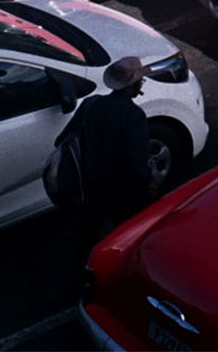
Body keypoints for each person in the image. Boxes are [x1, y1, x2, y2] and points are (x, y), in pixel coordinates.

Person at [67, 56, 157, 274]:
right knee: (128, 235)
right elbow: (138, 162)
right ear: (134, 85)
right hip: (122, 190)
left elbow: (69, 137)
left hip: (91, 183)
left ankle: (82, 269)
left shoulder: (94, 105)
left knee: (87, 233)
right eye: (140, 81)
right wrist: (149, 183)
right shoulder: (134, 115)